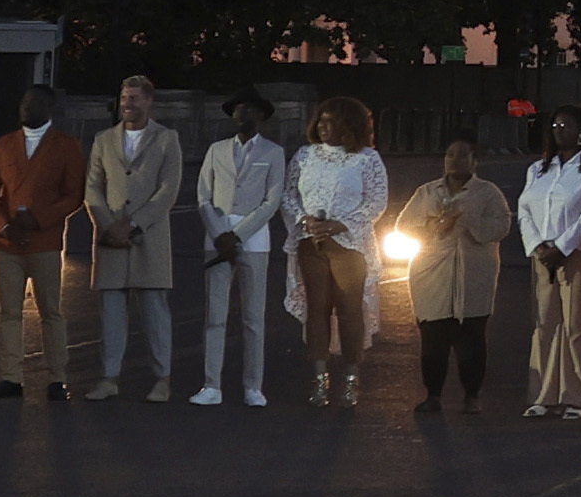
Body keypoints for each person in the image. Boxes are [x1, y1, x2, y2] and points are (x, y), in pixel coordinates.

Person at [83, 77, 195, 402]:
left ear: (148, 101)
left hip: (149, 236)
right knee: (112, 311)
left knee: (155, 311)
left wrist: (133, 224)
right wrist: (106, 223)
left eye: (133, 98)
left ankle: (162, 378)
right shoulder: (104, 139)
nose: (127, 104)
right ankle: (109, 377)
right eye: (123, 98)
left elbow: (168, 190)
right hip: (110, 237)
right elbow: (92, 186)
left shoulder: (166, 139)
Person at [0, 84, 87, 401]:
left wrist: (40, 218)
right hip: (7, 244)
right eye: (24, 102)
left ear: (49, 108)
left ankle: (57, 378)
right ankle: (11, 377)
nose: (26, 108)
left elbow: (74, 195)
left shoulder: (66, 146)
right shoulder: (4, 145)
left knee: (51, 311)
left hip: (45, 242)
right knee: (9, 313)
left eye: (34, 103)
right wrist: (2, 225)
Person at [399, 131, 510, 419]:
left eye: (462, 155)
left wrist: (466, 217)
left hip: (474, 275)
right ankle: (432, 395)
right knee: (433, 339)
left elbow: (499, 227)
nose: (454, 160)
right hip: (432, 274)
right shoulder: (427, 192)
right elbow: (403, 226)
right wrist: (433, 225)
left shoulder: (487, 193)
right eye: (450, 154)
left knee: (471, 338)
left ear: (475, 161)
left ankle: (472, 395)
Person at [191, 97, 294, 406]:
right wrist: (219, 233)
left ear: (261, 115)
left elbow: (272, 200)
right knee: (215, 315)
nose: (242, 114)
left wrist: (237, 235)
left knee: (253, 317)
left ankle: (253, 386)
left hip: (253, 238)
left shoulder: (273, 153)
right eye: (238, 109)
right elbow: (203, 196)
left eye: (249, 109)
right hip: (217, 235)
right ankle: (212, 385)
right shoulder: (216, 150)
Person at [289, 99, 389, 409]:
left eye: (330, 121)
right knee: (316, 309)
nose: (322, 126)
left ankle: (351, 379)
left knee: (348, 310)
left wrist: (339, 224)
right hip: (311, 242)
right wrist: (304, 220)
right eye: (320, 120)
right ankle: (319, 381)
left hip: (349, 244)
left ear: (348, 126)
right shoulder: (305, 155)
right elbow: (289, 193)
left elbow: (376, 202)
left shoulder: (366, 159)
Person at [514, 113, 581, 419]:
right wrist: (538, 246)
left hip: (577, 254)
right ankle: (542, 395)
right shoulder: (538, 169)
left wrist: (562, 246)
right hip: (542, 257)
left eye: (565, 125)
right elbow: (524, 208)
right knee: (545, 325)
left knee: (577, 327)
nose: (557, 129)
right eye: (554, 125)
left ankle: (574, 398)